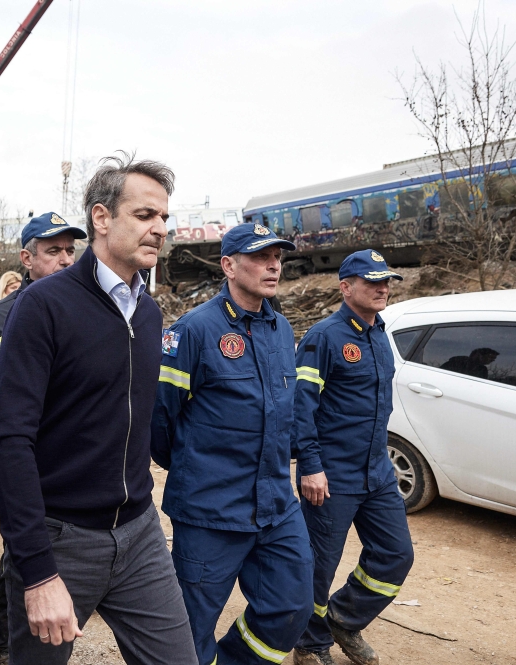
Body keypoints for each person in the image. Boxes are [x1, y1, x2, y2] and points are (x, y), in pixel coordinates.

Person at [0, 154, 197, 665]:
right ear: (102, 218)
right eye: (144, 215)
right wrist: (38, 571)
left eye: (164, 217)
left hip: (140, 533)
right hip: (61, 540)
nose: (159, 228)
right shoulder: (43, 306)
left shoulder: (148, 312)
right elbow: (9, 440)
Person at [152, 223, 313, 665]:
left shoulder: (281, 329)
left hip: (276, 505)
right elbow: (159, 421)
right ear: (228, 265)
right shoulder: (193, 330)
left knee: (292, 607)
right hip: (211, 510)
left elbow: (286, 411)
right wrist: (196, 469)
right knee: (191, 626)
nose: (273, 266)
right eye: (261, 257)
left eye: (277, 257)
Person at [0, 212, 84, 665]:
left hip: (74, 471)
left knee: (33, 561)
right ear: (27, 259)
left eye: (70, 251)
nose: (65, 260)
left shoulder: (88, 311)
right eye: (53, 251)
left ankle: (2, 643)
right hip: (24, 470)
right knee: (25, 558)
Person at [291, 249, 414, 665]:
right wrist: (310, 466)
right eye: (372, 281)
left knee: (395, 555)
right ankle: (310, 644)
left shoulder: (380, 334)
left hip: (377, 473)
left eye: (386, 281)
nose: (383, 288)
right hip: (332, 476)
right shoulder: (324, 337)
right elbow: (301, 408)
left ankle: (343, 618)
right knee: (318, 567)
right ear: (346, 287)